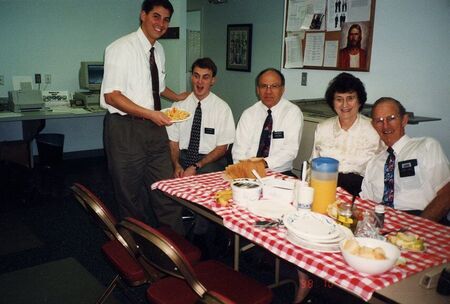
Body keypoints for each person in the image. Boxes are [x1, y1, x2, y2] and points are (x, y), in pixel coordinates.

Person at [100, 0, 189, 235]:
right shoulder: (120, 48)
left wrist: (177, 96)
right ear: (143, 15)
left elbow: (155, 87)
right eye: (156, 16)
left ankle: (176, 251)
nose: (161, 24)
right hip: (125, 129)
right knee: (130, 195)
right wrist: (151, 114)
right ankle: (138, 252)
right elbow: (112, 96)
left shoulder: (158, 50)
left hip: (154, 129)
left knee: (165, 188)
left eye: (166, 19)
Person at [360, 97, 450, 224]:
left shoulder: (426, 146)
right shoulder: (374, 163)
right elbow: (365, 205)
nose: (385, 126)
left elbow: (446, 195)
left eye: (391, 118)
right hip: (382, 224)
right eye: (379, 121)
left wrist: (417, 228)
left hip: (423, 220)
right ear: (373, 125)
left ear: (404, 120)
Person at [311, 72, 383, 196]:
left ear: (359, 101)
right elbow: (313, 165)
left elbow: (381, 172)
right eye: (339, 99)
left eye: (350, 98)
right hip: (326, 187)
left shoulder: (374, 130)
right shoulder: (323, 128)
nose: (344, 105)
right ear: (333, 103)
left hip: (361, 192)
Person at [166, 57, 235, 178]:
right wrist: (176, 164)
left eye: (206, 77)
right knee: (161, 174)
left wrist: (196, 166)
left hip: (209, 160)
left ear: (213, 80)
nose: (200, 82)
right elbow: (173, 141)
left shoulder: (223, 109)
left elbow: (222, 148)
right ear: (191, 77)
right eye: (196, 76)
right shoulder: (178, 106)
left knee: (199, 177)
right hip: (181, 157)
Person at [232, 68, 303, 176]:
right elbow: (239, 150)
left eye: (274, 86)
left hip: (279, 172)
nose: (268, 91)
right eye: (264, 86)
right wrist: (246, 168)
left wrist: (263, 163)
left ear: (282, 89)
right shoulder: (248, 114)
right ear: (257, 89)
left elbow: (290, 150)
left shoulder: (292, 113)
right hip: (247, 171)